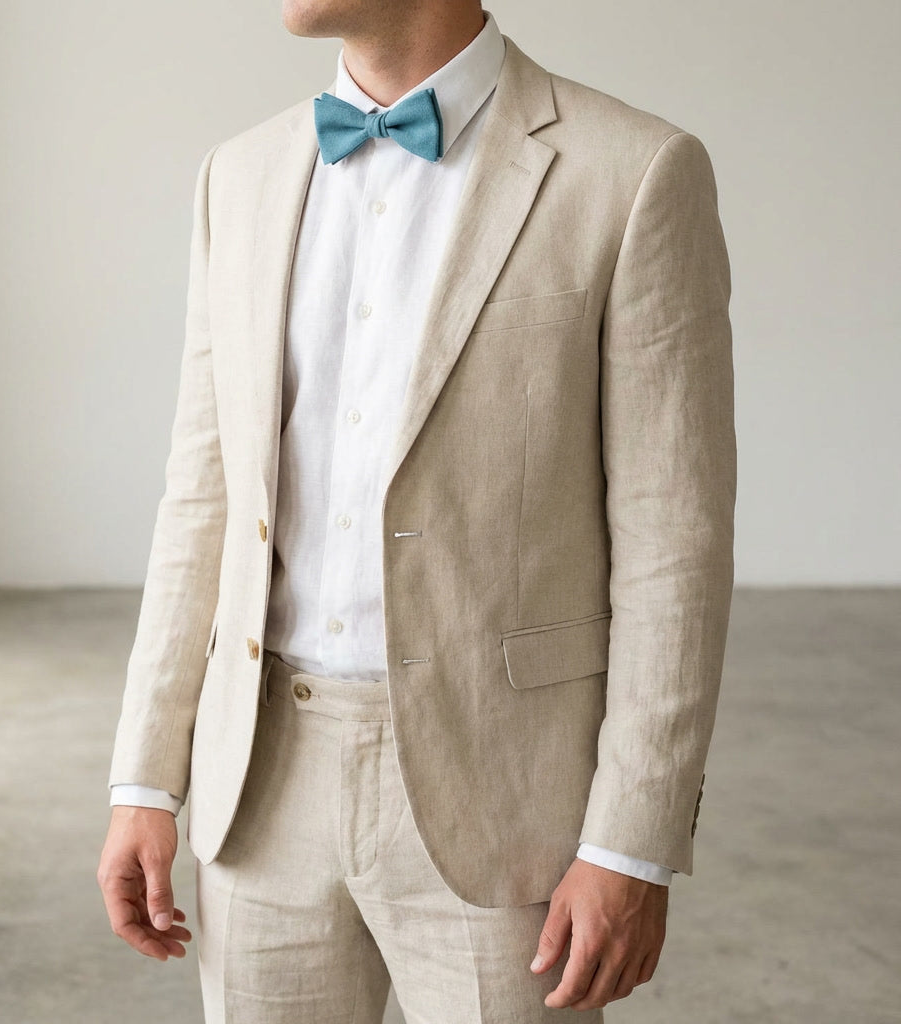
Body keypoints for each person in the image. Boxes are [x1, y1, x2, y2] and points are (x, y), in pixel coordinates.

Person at [97, 1, 736, 1020]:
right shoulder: (242, 176)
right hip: (256, 787)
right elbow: (201, 494)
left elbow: (674, 544)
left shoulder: (632, 170)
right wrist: (145, 776)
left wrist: (631, 842)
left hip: (506, 795)